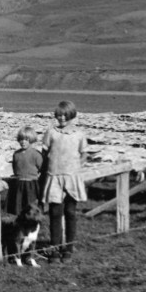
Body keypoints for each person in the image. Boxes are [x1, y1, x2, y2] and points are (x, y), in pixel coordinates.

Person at [42, 100, 87, 263]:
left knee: (70, 212)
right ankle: (54, 248)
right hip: (54, 177)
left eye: (65, 115)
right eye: (59, 115)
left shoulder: (79, 134)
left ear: (71, 116)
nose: (61, 118)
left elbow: (84, 154)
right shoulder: (51, 133)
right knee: (55, 213)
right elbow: (44, 154)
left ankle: (68, 248)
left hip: (71, 178)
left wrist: (76, 168)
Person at [7, 126, 43, 215]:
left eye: (26, 140)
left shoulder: (36, 154)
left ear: (31, 140)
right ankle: (21, 225)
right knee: (18, 206)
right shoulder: (16, 154)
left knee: (31, 206)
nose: (23, 142)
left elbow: (41, 169)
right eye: (21, 139)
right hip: (19, 184)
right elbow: (15, 168)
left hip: (31, 184)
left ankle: (34, 225)